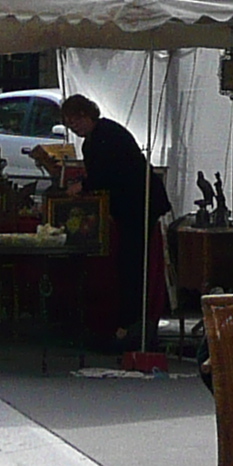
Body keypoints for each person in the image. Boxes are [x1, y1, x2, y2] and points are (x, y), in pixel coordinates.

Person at [60, 93, 158, 350]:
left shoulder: (107, 135)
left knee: (132, 265)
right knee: (126, 264)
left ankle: (132, 326)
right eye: (71, 124)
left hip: (138, 205)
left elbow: (108, 174)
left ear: (88, 114)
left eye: (77, 120)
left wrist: (83, 185)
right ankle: (127, 323)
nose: (76, 127)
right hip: (127, 207)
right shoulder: (93, 140)